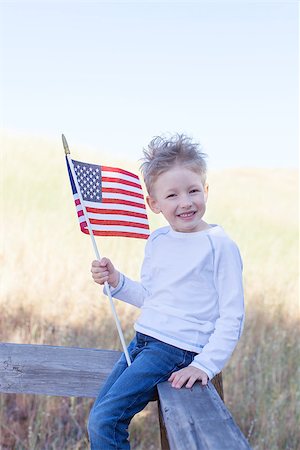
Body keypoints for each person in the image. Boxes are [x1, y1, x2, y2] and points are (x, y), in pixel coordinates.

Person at [88, 134, 244, 450]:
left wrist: (205, 364)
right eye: (171, 195)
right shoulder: (158, 241)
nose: (185, 202)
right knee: (99, 417)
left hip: (175, 349)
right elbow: (154, 298)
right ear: (154, 204)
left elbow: (232, 315)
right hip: (143, 341)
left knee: (105, 421)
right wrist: (117, 281)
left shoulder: (219, 246)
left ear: (206, 190)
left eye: (193, 190)